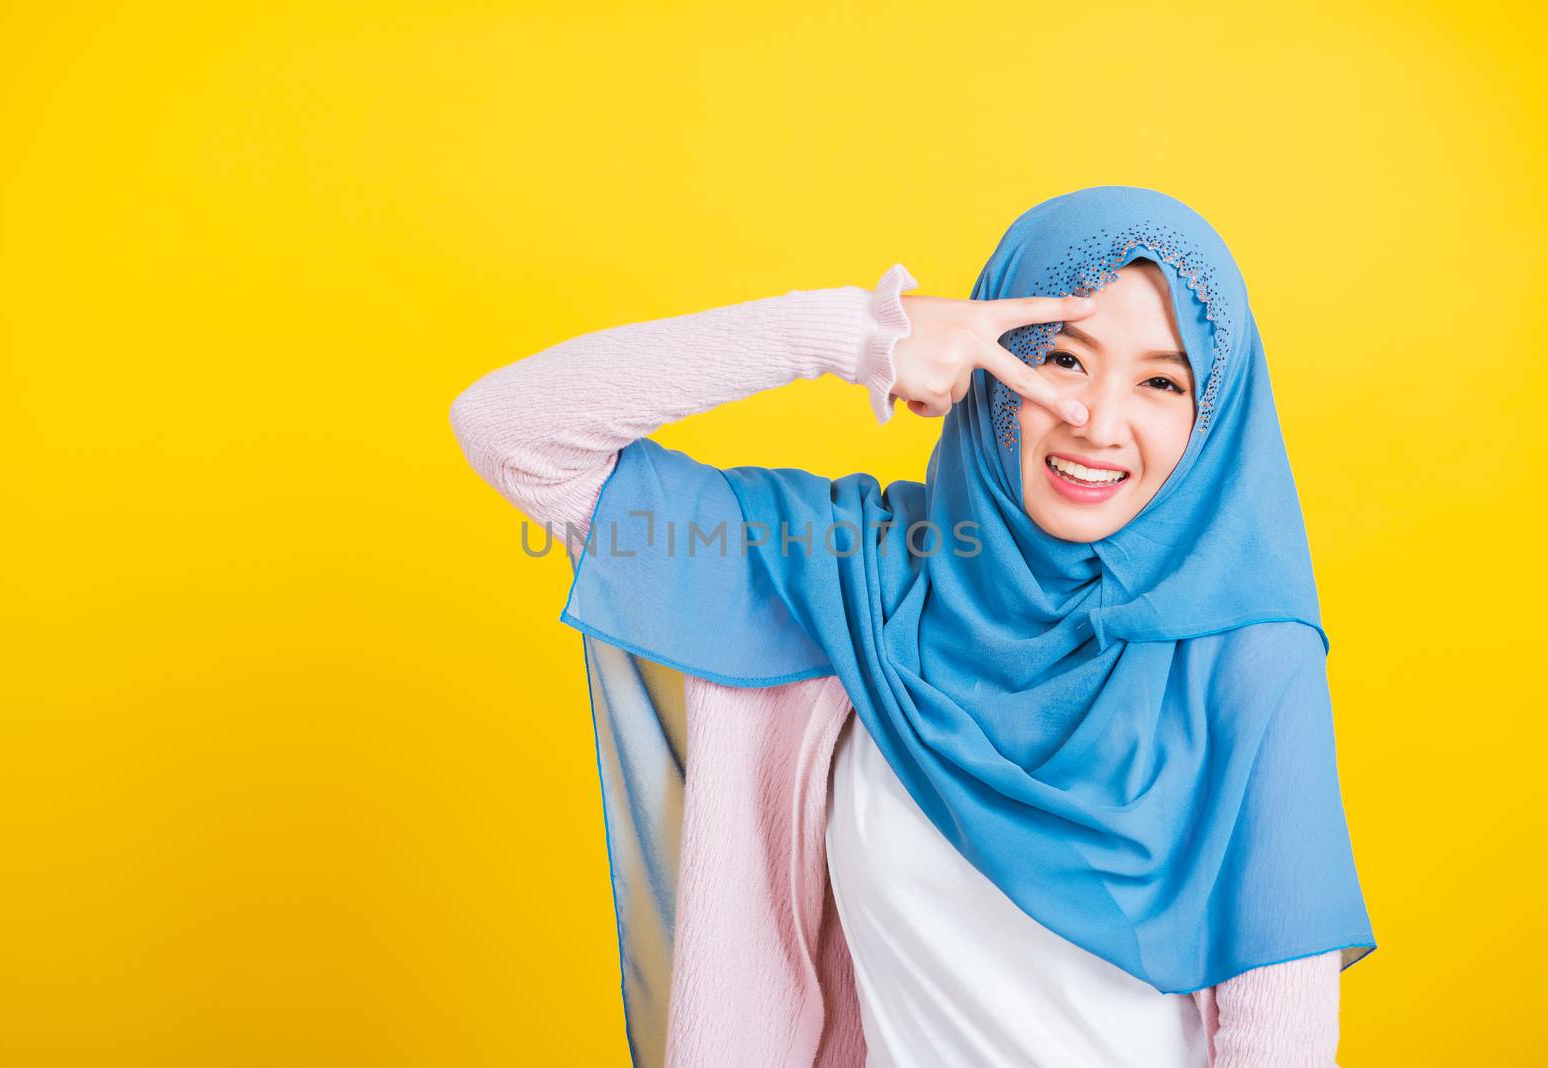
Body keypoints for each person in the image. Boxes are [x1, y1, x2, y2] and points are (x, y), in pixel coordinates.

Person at [449, 185, 1376, 1067]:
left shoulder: (1246, 656)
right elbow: (510, 431)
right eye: (1062, 359)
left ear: (1212, 416)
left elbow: (1278, 1040)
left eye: (1162, 384)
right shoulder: (848, 580)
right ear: (994, 366)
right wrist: (849, 333)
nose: (1096, 421)